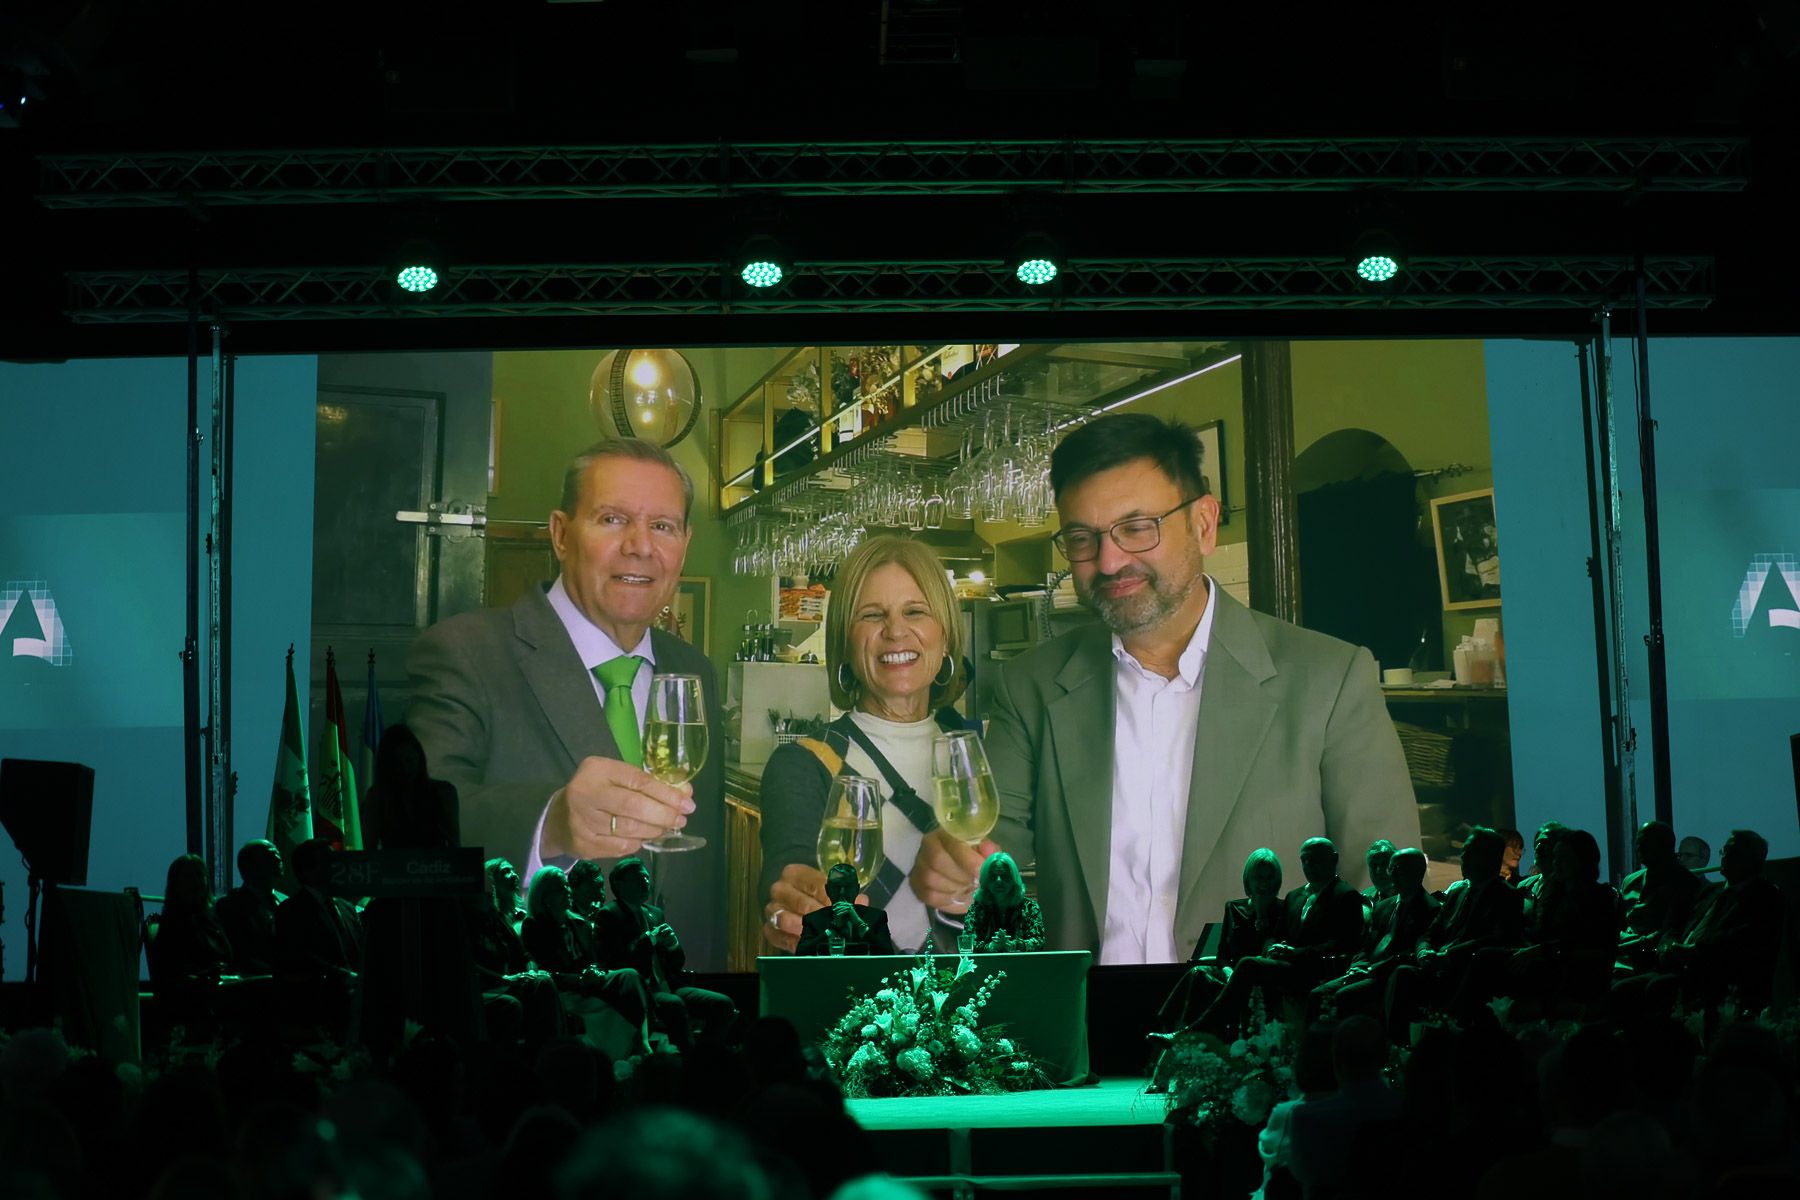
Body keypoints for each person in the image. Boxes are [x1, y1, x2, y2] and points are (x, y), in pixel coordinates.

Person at [917, 413, 1418, 962]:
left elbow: (1386, 894)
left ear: (1203, 524)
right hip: (1088, 1030)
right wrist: (953, 883)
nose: (1110, 561)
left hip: (1259, 1028)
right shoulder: (1031, 685)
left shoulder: (1330, 679)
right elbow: (988, 862)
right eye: (1083, 539)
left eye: (1137, 527)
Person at [406, 438, 726, 968]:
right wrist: (549, 823)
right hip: (530, 1015)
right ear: (560, 533)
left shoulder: (696, 672)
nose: (640, 546)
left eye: (663, 526)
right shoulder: (466, 651)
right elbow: (414, 837)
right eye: (613, 519)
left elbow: (701, 881)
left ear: (684, 546)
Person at [759, 534, 973, 955]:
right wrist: (792, 899)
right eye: (872, 615)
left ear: (944, 636)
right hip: (859, 1004)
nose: (895, 631)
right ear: (845, 645)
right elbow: (785, 869)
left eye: (915, 611)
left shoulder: (976, 761)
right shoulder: (803, 764)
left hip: (968, 1001)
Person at [1183, 838, 1366, 1037]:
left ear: (1334, 859)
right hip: (1287, 966)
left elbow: (1345, 943)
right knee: (1208, 972)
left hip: (1314, 968)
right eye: (1305, 860)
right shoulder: (1295, 897)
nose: (1309, 866)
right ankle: (1193, 1029)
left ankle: (1201, 1028)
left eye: (1315, 860)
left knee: (1248, 965)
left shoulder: (1346, 896)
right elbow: (1275, 935)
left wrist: (1295, 952)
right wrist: (1273, 948)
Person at [1383, 826, 1524, 1039]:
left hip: (1467, 970)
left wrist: (1448, 957)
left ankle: (1443, 1033)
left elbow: (1497, 939)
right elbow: (1430, 933)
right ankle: (1397, 1047)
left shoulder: (1507, 896)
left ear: (1488, 857)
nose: (1462, 856)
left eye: (1468, 852)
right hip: (1437, 966)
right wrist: (1424, 951)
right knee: (1403, 973)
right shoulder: (1457, 892)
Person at [594, 857, 737, 1052]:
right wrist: (648, 941)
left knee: (723, 1005)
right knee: (674, 1004)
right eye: (639, 879)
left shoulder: (654, 914)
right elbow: (616, 960)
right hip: (641, 991)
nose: (646, 883)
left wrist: (672, 945)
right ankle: (689, 1063)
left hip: (668, 986)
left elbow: (676, 964)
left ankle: (705, 1055)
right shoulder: (609, 915)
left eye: (646, 878)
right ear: (620, 884)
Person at [519, 865, 652, 1059]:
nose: (568, 891)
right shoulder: (535, 927)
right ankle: (625, 1050)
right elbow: (544, 971)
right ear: (545, 896)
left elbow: (594, 960)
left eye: (567, 885)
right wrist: (580, 980)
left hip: (590, 981)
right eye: (560, 888)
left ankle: (641, 1043)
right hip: (566, 989)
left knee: (629, 975)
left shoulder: (579, 923)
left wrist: (595, 971)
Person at [1154, 848, 1286, 1034]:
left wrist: (1262, 915)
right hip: (1230, 974)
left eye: (1268, 878)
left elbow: (1269, 953)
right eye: (1258, 877)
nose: (1264, 884)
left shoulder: (1283, 910)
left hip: (1258, 980)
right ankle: (1172, 1025)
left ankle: (1186, 1033)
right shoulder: (1233, 908)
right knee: (1198, 973)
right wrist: (1229, 972)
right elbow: (1223, 953)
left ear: (1276, 880)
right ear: (1248, 879)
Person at [1311, 847, 1440, 1021]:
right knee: (1317, 994)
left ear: (1417, 873)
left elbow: (1409, 954)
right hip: (1367, 969)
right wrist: (1357, 966)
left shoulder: (1430, 909)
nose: (1391, 874)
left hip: (1387, 975)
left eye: (1398, 869)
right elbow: (1367, 944)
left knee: (1343, 996)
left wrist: (1372, 970)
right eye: (1391, 868)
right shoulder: (1383, 906)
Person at [274, 837, 364, 1038]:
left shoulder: (347, 908)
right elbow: (297, 955)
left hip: (357, 1008)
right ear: (307, 871)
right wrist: (343, 976)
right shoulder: (291, 911)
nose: (338, 867)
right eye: (329, 862)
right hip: (317, 1011)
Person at [471, 857, 562, 1053]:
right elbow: (468, 963)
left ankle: (550, 1050)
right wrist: (505, 978)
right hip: (488, 987)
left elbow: (524, 954)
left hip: (506, 983)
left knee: (542, 981)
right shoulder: (466, 924)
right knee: (515, 1003)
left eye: (491, 891)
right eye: (484, 892)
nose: (489, 895)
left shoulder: (497, 921)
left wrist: (530, 969)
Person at [145, 853, 234, 1028]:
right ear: (175, 883)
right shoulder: (173, 924)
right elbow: (174, 974)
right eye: (188, 876)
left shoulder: (213, 919)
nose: (195, 881)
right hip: (196, 1005)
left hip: (221, 993)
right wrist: (209, 976)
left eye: (199, 875)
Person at [1615, 820, 1705, 971]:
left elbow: (1670, 932)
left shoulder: (1686, 884)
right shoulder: (1630, 881)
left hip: (1651, 961)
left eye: (1647, 842)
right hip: (1623, 957)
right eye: (1639, 842)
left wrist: (1623, 943)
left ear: (1667, 846)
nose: (1640, 847)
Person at [214, 839, 285, 977]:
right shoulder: (230, 906)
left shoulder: (287, 902)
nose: (278, 859)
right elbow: (238, 954)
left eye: (278, 854)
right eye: (270, 855)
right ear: (250, 866)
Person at [796, 863, 898, 956]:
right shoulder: (813, 920)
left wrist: (859, 923)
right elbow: (800, 955)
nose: (842, 892)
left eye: (848, 887)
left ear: (857, 889)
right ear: (828, 890)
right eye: (836, 887)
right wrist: (832, 929)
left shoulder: (876, 917)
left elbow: (888, 954)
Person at [964, 852, 1045, 953]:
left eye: (1004, 876)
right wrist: (990, 947)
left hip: (1022, 964)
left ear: (1013, 880)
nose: (999, 880)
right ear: (985, 881)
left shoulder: (1030, 907)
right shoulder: (976, 909)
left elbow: (1039, 941)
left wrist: (1014, 945)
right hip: (986, 965)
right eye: (993, 876)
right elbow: (967, 943)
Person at [1362, 839, 1397, 908]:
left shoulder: (1409, 899)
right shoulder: (1364, 898)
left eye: (1384, 864)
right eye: (1373, 865)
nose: (1379, 871)